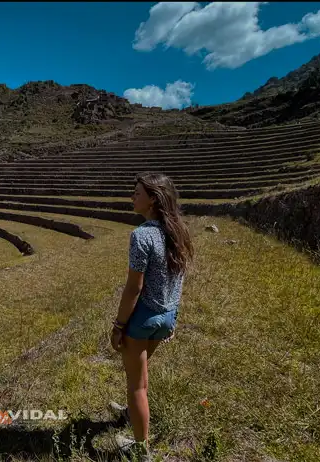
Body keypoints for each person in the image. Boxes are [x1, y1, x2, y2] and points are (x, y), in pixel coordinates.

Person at [108, 172, 195, 460]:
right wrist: (174, 319)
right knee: (140, 376)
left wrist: (119, 325)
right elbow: (178, 281)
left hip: (143, 319)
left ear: (153, 200)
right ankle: (130, 413)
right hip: (166, 317)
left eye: (137, 193)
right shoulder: (178, 232)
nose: (132, 197)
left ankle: (140, 449)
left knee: (137, 385)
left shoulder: (141, 235)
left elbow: (135, 287)